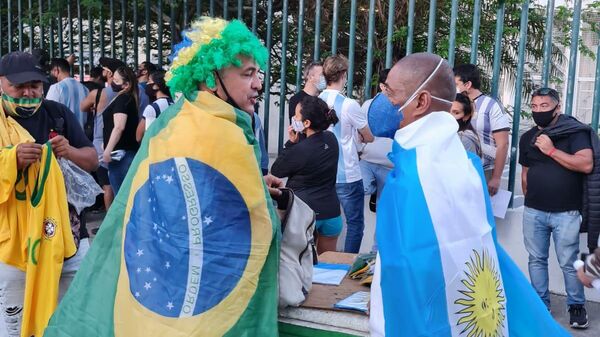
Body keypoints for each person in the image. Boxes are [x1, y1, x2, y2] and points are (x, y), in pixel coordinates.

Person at [44, 17, 282, 337]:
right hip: (205, 304)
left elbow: (198, 193)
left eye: (259, 73)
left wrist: (253, 185)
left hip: (161, 294)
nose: (258, 84)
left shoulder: (179, 117)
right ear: (212, 79)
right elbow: (232, 219)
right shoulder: (220, 130)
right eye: (247, 74)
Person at [368, 52, 570, 337]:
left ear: (421, 101)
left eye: (389, 92)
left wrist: (380, 312)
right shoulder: (466, 163)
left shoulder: (411, 179)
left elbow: (402, 269)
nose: (382, 100)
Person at [0, 51, 98, 337]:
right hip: (15, 249)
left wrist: (70, 151)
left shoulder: (58, 113)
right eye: (19, 86)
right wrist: (11, 161)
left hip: (69, 242)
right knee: (14, 326)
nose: (28, 92)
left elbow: (92, 159)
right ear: (1, 84)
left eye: (35, 85)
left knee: (72, 318)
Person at [519, 87, 592, 328]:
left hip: (566, 212)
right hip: (533, 210)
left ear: (557, 107)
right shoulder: (527, 136)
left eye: (544, 106)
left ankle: (576, 307)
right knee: (536, 259)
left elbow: (585, 164)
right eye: (535, 106)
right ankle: (541, 305)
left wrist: (550, 149)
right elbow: (526, 171)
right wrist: (530, 195)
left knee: (569, 262)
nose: (538, 111)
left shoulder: (574, 132)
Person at [319, 54, 374, 253]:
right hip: (347, 174)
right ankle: (348, 264)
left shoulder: (316, 101)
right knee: (355, 224)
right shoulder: (350, 104)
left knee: (322, 222)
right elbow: (368, 137)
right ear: (343, 74)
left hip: (323, 173)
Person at [272, 96, 341, 253]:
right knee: (327, 267)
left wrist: (290, 143)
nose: (293, 119)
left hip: (304, 214)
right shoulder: (331, 139)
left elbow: (277, 170)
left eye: (296, 116)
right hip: (331, 213)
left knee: (298, 263)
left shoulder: (300, 150)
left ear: (307, 123)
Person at [454, 64, 509, 196]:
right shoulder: (453, 103)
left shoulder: (491, 106)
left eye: (456, 83)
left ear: (467, 84)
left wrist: (496, 177)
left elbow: (503, 144)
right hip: (456, 168)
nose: (453, 87)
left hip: (483, 170)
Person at [102, 66, 140, 195]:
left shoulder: (123, 99)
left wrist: (108, 149)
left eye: (116, 81)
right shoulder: (126, 98)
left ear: (126, 85)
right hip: (123, 154)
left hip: (121, 155)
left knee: (122, 196)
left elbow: (119, 127)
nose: (113, 82)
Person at [46, 58, 90, 127]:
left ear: (56, 70)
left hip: (62, 135)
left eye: (51, 71)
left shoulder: (56, 88)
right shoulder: (85, 89)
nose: (51, 74)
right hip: (81, 134)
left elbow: (49, 113)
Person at [136, 70, 174, 141]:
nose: (147, 84)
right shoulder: (174, 103)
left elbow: (139, 136)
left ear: (156, 86)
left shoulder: (153, 107)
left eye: (149, 81)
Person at [451, 92, 482, 157]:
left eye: (456, 113)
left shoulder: (466, 139)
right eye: (447, 110)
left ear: (466, 116)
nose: (450, 116)